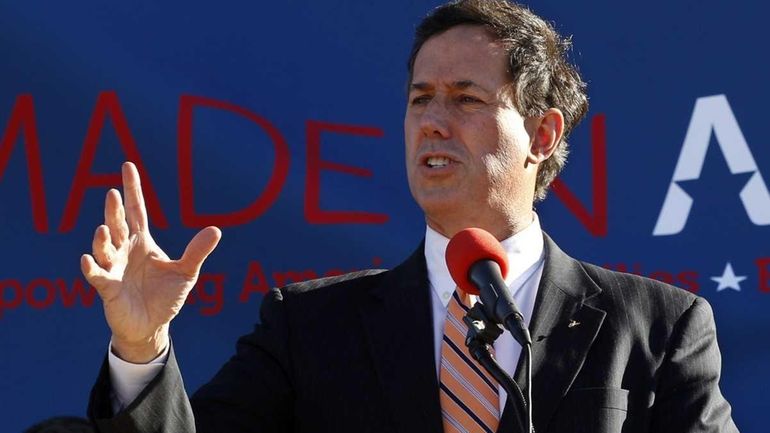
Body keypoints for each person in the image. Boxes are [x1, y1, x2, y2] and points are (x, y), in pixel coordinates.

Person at [83, 1, 739, 432]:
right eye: (420, 98)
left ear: (542, 135)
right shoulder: (308, 328)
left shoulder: (658, 327)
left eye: (464, 98)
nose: (432, 121)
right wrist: (141, 348)